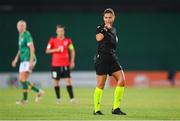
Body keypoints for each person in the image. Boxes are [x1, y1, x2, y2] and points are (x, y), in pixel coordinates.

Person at [93, 8, 127, 115]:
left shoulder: (114, 29)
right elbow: (98, 38)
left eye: (110, 17)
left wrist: (109, 29)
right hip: (102, 58)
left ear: (114, 17)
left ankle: (116, 108)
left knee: (122, 80)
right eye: (106, 17)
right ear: (103, 18)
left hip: (112, 58)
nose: (107, 19)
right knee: (101, 85)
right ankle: (96, 109)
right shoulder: (100, 28)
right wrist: (105, 29)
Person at [12, 20, 44, 105]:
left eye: (22, 25)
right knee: (22, 80)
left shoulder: (27, 34)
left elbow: (32, 48)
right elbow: (20, 49)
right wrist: (16, 59)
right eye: (19, 25)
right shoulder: (20, 35)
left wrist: (31, 61)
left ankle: (25, 100)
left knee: (23, 79)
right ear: (17, 27)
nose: (20, 27)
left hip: (28, 59)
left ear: (25, 27)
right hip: (23, 60)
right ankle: (38, 91)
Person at [46, 25, 75, 104]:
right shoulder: (52, 40)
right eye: (59, 31)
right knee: (56, 82)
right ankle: (58, 99)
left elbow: (72, 50)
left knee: (68, 81)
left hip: (65, 64)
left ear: (64, 31)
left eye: (62, 31)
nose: (60, 32)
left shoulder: (68, 41)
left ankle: (72, 99)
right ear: (56, 31)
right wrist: (56, 49)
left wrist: (72, 61)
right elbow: (47, 51)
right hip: (55, 65)